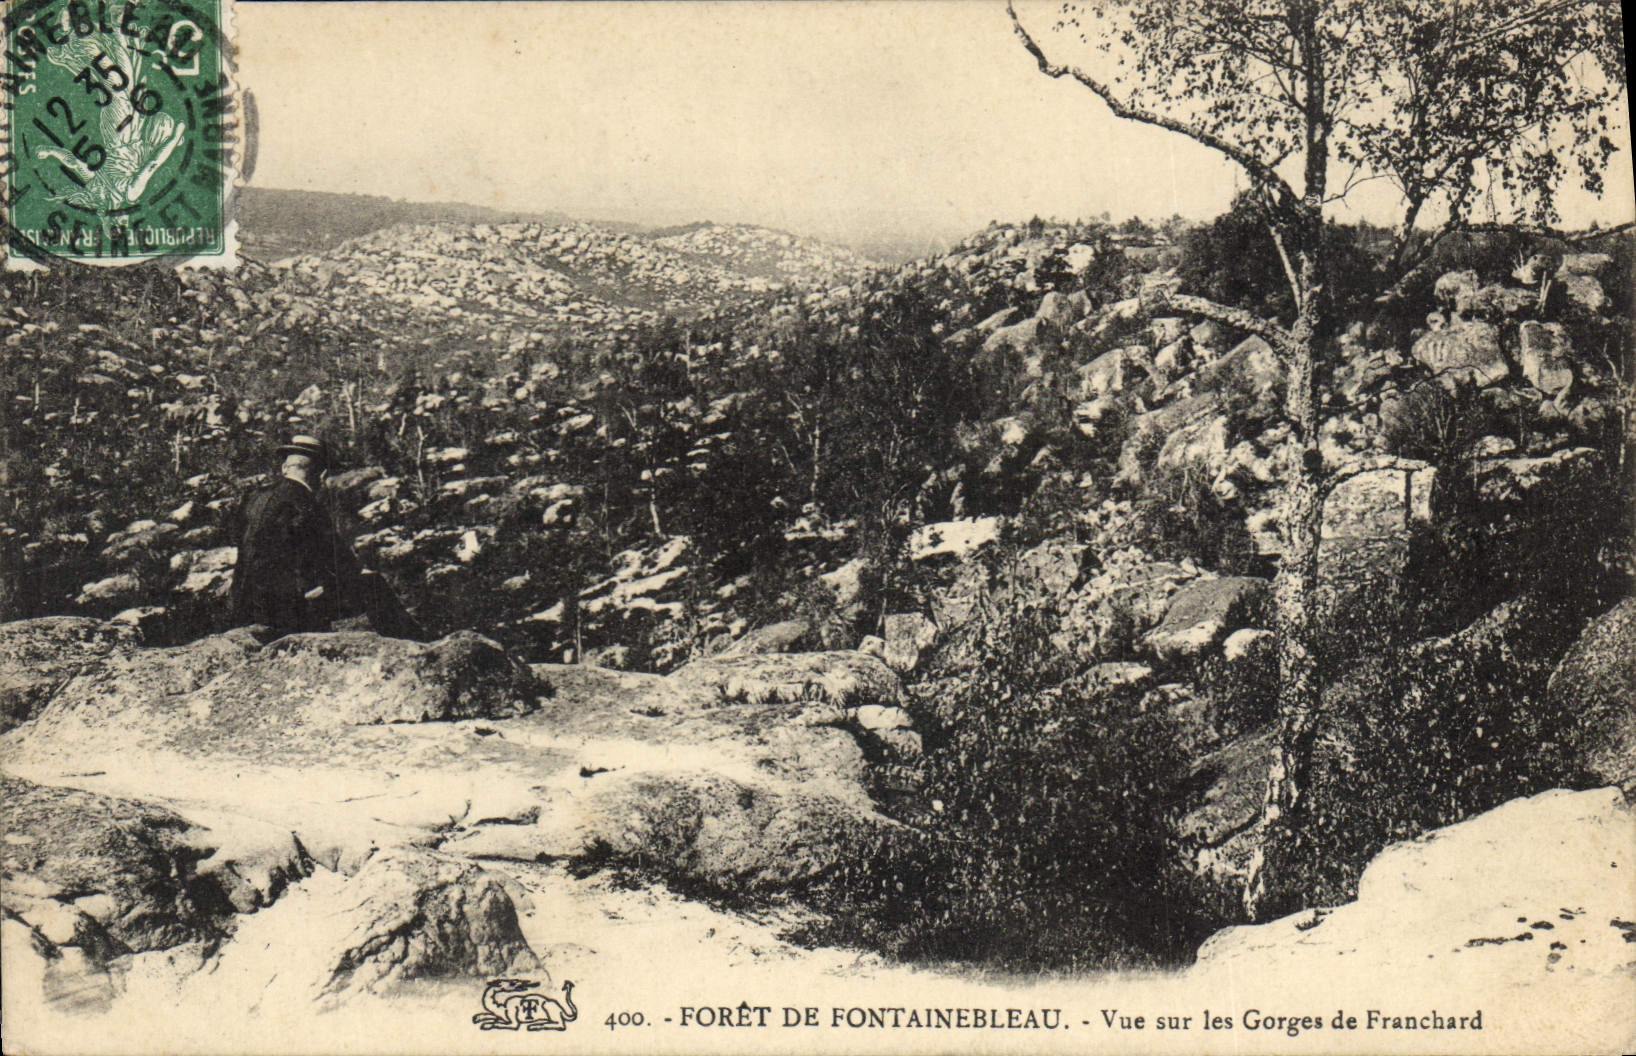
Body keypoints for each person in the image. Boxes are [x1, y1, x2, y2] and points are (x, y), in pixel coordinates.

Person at [228, 434, 355, 639]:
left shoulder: (254, 496)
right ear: (321, 475)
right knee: (366, 585)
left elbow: (237, 538)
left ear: (285, 468)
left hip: (243, 604)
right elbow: (336, 556)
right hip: (286, 610)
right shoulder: (307, 503)